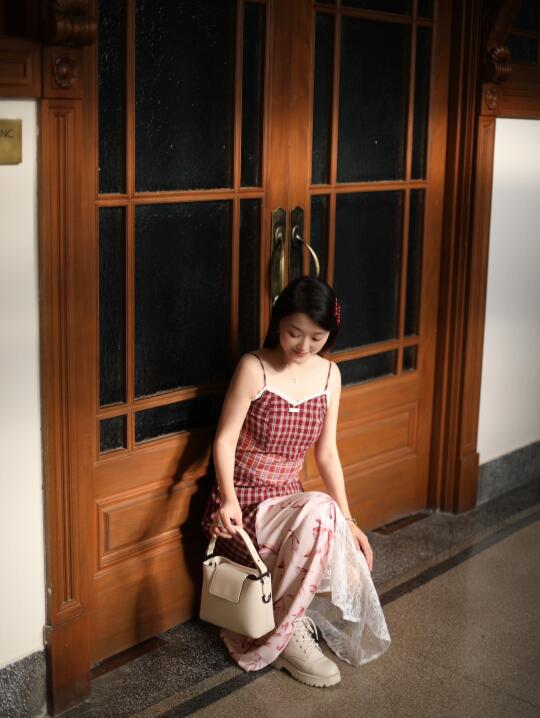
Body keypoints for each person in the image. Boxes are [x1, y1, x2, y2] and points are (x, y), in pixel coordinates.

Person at [201, 276, 390, 687]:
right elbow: (225, 440)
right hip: (245, 503)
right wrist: (228, 500)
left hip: (289, 501)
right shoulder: (254, 367)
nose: (304, 346)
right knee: (322, 510)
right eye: (294, 333)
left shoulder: (330, 376)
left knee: (331, 519)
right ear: (278, 323)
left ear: (330, 334)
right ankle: (283, 636)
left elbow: (327, 454)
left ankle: (286, 621)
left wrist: (350, 521)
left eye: (317, 337)